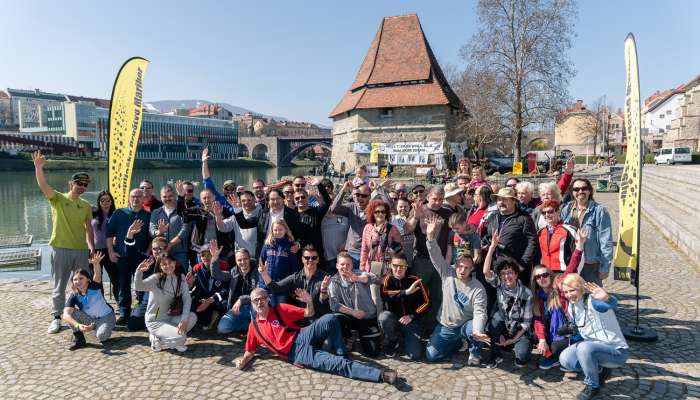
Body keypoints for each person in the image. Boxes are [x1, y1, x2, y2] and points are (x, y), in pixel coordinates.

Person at [234, 288, 397, 383]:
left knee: (330, 318)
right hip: (297, 353)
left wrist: (309, 301)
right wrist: (243, 360)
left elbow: (308, 312)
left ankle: (341, 351)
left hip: (303, 335)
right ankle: (381, 375)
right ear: (252, 304)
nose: (260, 302)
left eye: (262, 298)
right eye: (256, 300)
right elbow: (250, 350)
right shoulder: (253, 327)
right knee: (336, 364)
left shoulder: (280, 309)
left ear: (268, 299)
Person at [32, 151, 95, 334]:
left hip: (81, 250)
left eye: (85, 185)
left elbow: (89, 228)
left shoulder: (85, 205)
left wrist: (91, 247)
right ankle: (57, 317)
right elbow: (44, 186)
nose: (82, 187)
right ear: (71, 184)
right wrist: (38, 168)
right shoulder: (58, 199)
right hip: (61, 248)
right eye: (79, 183)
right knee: (59, 285)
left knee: (82, 284)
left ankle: (82, 313)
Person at [424, 214, 489, 364]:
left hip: (466, 325)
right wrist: (430, 236)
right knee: (431, 356)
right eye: (459, 266)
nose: (462, 270)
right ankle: (459, 342)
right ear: (455, 264)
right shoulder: (447, 273)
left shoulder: (477, 288)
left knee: (474, 327)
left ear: (472, 269)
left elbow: (480, 312)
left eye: (466, 268)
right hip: (446, 326)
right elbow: (435, 256)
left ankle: (475, 352)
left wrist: (478, 330)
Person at [559, 275, 629, 400]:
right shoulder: (572, 306)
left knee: (584, 348)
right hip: (594, 348)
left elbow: (610, 304)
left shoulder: (593, 301)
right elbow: (582, 327)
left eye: (572, 290)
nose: (569, 295)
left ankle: (593, 386)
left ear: (581, 289)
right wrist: (570, 329)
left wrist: (607, 298)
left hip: (616, 351)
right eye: (566, 292)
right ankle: (601, 369)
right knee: (565, 359)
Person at [531, 227, 587, 370]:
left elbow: (571, 268)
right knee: (536, 338)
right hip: (551, 332)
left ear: (550, 275)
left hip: (567, 329)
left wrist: (579, 246)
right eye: (538, 277)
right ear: (535, 280)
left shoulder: (559, 285)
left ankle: (571, 354)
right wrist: (542, 339)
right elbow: (538, 320)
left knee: (558, 350)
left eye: (545, 275)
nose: (542, 278)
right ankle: (557, 354)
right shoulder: (537, 298)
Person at [402, 186, 455, 332]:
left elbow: (457, 230)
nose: (437, 202)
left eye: (441, 199)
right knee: (418, 293)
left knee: (438, 295)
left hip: (440, 261)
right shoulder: (419, 209)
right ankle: (415, 324)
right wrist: (415, 217)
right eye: (434, 199)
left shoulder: (448, 212)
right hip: (422, 259)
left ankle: (432, 327)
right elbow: (407, 229)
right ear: (428, 196)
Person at [483, 232, 534, 369]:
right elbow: (486, 271)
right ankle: (495, 355)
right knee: (494, 321)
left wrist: (514, 338)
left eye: (510, 272)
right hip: (504, 326)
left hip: (518, 330)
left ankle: (516, 347)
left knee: (521, 358)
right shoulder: (499, 284)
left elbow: (527, 323)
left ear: (516, 274)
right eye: (503, 273)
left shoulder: (526, 294)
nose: (507, 276)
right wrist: (492, 247)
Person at [106, 188, 151, 325]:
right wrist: (111, 252)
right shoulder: (119, 213)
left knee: (141, 286)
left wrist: (149, 252)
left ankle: (140, 312)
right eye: (133, 196)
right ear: (129, 198)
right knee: (123, 285)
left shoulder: (148, 215)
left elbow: (152, 236)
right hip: (123, 256)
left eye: (138, 196)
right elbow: (109, 234)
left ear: (143, 199)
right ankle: (124, 312)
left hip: (141, 257)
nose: (135, 199)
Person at [135, 255, 197, 352]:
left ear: (175, 263)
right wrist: (139, 272)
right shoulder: (156, 279)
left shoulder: (181, 277)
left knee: (192, 317)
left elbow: (187, 299)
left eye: (170, 262)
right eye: (164, 264)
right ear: (160, 266)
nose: (168, 266)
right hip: (156, 320)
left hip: (171, 316)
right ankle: (158, 339)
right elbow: (139, 286)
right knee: (182, 338)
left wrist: (184, 320)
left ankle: (167, 338)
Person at [560, 179, 613, 286]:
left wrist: (605, 267)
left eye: (584, 188)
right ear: (572, 192)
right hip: (571, 262)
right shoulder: (567, 209)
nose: (580, 192)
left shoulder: (600, 211)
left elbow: (606, 241)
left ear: (590, 191)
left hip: (590, 264)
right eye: (576, 189)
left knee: (591, 298)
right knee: (571, 297)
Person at [328, 252, 382, 358]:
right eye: (342, 264)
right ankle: (348, 335)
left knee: (373, 352)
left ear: (352, 265)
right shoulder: (333, 281)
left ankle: (361, 338)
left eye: (348, 264)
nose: (345, 267)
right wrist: (353, 312)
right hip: (350, 317)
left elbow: (375, 279)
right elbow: (334, 305)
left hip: (366, 317)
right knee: (336, 318)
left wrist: (357, 278)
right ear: (337, 265)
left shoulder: (359, 273)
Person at [481, 187, 538, 284]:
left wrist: (523, 263)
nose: (501, 202)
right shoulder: (493, 216)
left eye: (505, 199)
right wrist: (486, 241)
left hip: (516, 269)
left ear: (514, 201)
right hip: (496, 267)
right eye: (499, 200)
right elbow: (487, 235)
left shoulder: (524, 218)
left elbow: (532, 241)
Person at [379, 255, 430, 359]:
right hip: (393, 318)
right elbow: (384, 294)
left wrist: (412, 316)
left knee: (414, 355)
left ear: (406, 267)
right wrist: (405, 292)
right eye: (395, 265)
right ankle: (393, 340)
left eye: (402, 266)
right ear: (390, 266)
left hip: (412, 321)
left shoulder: (415, 280)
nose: (398, 269)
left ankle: (406, 336)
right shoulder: (387, 280)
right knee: (383, 317)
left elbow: (427, 303)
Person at [62, 252, 116, 350]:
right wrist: (78, 325)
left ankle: (103, 328)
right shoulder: (74, 296)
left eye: (81, 278)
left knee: (101, 337)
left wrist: (96, 264)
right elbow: (65, 315)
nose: (78, 282)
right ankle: (80, 340)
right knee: (71, 313)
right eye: (75, 280)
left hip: (106, 317)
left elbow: (98, 275)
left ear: (87, 279)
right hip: (90, 319)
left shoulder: (94, 286)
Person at [260, 244, 331, 317]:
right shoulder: (296, 277)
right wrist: (264, 275)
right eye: (307, 258)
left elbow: (325, 302)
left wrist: (324, 290)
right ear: (302, 259)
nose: (310, 260)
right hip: (304, 320)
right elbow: (276, 288)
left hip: (322, 318)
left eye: (314, 258)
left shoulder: (326, 278)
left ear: (318, 259)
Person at [233, 188, 304, 259]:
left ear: (283, 199)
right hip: (265, 254)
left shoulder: (293, 214)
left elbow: (300, 234)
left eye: (278, 198)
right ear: (268, 201)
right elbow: (244, 225)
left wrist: (298, 245)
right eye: (272, 199)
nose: (275, 202)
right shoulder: (263, 213)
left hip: (286, 254)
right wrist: (237, 209)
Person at [213, 245, 259, 335]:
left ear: (250, 258)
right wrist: (214, 258)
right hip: (237, 308)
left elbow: (258, 294)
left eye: (245, 259)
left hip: (254, 306)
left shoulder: (258, 272)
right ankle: (248, 326)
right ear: (236, 261)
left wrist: (241, 299)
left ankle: (258, 331)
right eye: (239, 260)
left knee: (258, 315)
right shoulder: (233, 272)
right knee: (222, 328)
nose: (243, 262)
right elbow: (217, 274)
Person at [329, 182, 373, 270]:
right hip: (352, 253)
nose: (360, 198)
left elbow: (389, 207)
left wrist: (379, 189)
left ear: (369, 197)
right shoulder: (351, 207)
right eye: (358, 194)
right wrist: (343, 191)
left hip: (369, 254)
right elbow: (334, 209)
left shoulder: (374, 209)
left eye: (364, 196)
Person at [186, 245, 231, 330]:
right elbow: (196, 289)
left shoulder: (224, 266)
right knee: (190, 301)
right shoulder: (196, 268)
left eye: (209, 254)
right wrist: (190, 285)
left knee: (225, 304)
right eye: (203, 255)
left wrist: (211, 299)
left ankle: (217, 317)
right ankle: (207, 319)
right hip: (204, 299)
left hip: (217, 298)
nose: (206, 257)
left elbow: (226, 290)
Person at [150, 184, 190, 271]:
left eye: (170, 196)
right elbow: (151, 229)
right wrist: (158, 232)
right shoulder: (156, 212)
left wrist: (171, 244)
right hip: (161, 253)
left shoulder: (182, 210)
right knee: (162, 278)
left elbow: (185, 229)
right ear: (161, 198)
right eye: (164, 196)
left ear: (174, 196)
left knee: (182, 277)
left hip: (179, 252)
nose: (167, 199)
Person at [258, 220, 299, 305]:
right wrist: (262, 282)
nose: (278, 232)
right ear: (272, 231)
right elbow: (261, 263)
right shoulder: (267, 245)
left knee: (280, 312)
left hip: (282, 286)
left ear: (285, 230)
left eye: (280, 229)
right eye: (275, 230)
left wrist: (291, 286)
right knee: (267, 311)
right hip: (267, 285)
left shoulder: (291, 246)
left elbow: (294, 268)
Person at [538, 200, 582, 273]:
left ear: (558, 212)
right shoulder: (540, 232)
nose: (547, 215)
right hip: (546, 274)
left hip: (564, 272)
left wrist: (574, 273)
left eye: (550, 211)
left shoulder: (570, 230)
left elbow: (579, 254)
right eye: (544, 213)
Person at [360, 200, 403, 273]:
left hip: (388, 266)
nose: (380, 214)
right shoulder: (368, 228)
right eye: (377, 212)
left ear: (386, 213)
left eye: (383, 212)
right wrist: (362, 267)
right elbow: (364, 250)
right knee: (373, 284)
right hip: (371, 266)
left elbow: (400, 251)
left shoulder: (393, 229)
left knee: (385, 284)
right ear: (372, 213)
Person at [294, 178, 331, 261]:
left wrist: (319, 185)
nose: (300, 199)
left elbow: (327, 202)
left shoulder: (316, 212)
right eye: (297, 198)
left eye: (303, 197)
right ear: (294, 200)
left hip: (316, 255)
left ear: (307, 198)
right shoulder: (291, 215)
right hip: (299, 255)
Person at [91, 190, 118, 301]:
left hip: (110, 249)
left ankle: (119, 302)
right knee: (97, 278)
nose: (106, 203)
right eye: (102, 200)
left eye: (108, 200)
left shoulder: (116, 213)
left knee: (115, 278)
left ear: (111, 201)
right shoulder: (93, 213)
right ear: (99, 202)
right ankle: (100, 302)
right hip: (95, 250)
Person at [391, 198, 415, 265]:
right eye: (400, 206)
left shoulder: (414, 221)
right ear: (396, 207)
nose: (403, 209)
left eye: (405, 206)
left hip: (411, 261)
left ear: (409, 207)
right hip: (396, 262)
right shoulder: (392, 221)